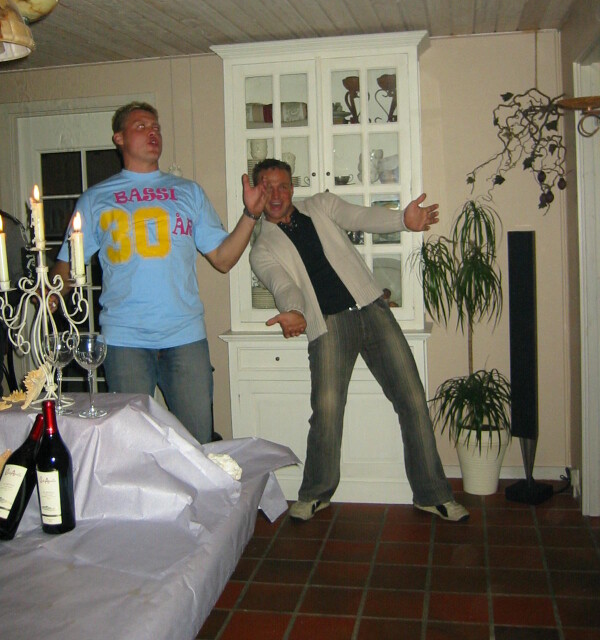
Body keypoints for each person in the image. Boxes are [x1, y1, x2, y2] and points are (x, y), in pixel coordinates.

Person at [249, 158, 469, 522]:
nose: (276, 194)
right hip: (328, 326)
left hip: (372, 309)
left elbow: (360, 217)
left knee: (413, 399)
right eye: (267, 187)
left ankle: (432, 494)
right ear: (257, 192)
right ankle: (316, 493)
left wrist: (402, 221)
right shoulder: (262, 249)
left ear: (292, 188)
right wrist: (293, 311)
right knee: (327, 411)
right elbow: (283, 285)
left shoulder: (320, 205)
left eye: (282, 186)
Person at [50, 101, 266, 443]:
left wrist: (250, 215)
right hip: (124, 340)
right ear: (119, 138)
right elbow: (66, 267)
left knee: (196, 441)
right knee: (133, 443)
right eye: (141, 126)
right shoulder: (95, 199)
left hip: (185, 337)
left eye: (156, 127)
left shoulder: (188, 192)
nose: (153, 132)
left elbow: (223, 259)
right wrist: (45, 297)